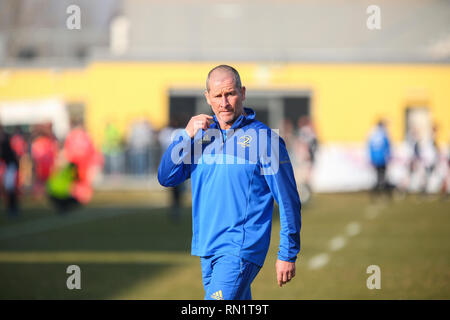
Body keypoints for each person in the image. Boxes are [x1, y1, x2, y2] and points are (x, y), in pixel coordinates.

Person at [158, 65, 302, 300]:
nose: (224, 102)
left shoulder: (265, 140)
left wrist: (288, 253)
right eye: (217, 95)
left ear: (242, 93)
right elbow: (166, 177)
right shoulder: (200, 138)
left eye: (230, 93)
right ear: (208, 97)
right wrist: (184, 135)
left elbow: (288, 201)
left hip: (240, 249)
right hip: (207, 248)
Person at [368, 120, 391, 196]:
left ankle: (376, 192)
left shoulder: (373, 134)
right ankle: (382, 192)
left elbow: (370, 147)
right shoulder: (384, 134)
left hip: (375, 159)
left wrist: (372, 158)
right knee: (383, 176)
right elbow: (387, 147)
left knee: (378, 176)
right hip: (382, 159)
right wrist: (388, 157)